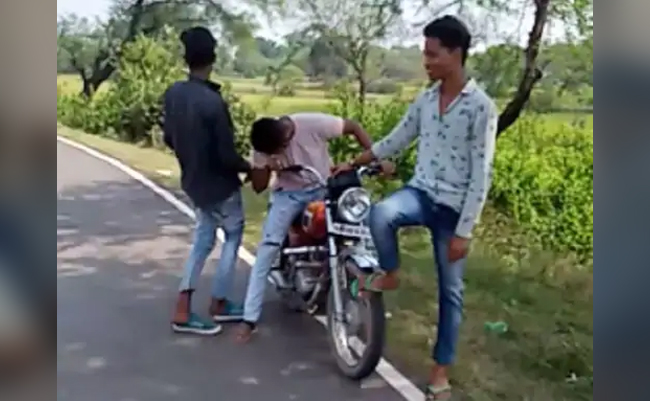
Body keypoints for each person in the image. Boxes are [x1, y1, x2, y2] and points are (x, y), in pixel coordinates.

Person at [333, 16, 498, 399]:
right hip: (420, 193)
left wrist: (464, 232)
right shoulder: (425, 99)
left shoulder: (481, 108)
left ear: (456, 54)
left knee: (451, 293)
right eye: (425, 54)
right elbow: (397, 138)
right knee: (380, 213)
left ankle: (440, 372)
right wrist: (355, 162)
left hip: (454, 209)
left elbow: (482, 174)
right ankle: (390, 273)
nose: (426, 62)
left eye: (432, 54)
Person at [234, 113, 383, 342]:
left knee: (359, 227)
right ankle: (249, 318)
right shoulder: (264, 145)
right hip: (288, 195)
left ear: (286, 138)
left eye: (279, 150)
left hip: (322, 187)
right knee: (267, 249)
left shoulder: (311, 124)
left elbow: (353, 126)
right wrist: (267, 167)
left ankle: (367, 290)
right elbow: (259, 187)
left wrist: (375, 158)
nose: (279, 154)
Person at [163, 26, 254, 335]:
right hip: (221, 186)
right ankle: (220, 302)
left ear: (186, 58)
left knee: (203, 241)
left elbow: (168, 137)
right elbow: (227, 156)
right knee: (232, 235)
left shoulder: (174, 93)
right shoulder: (213, 102)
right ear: (213, 58)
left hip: (194, 182)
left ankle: (183, 307)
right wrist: (250, 167)